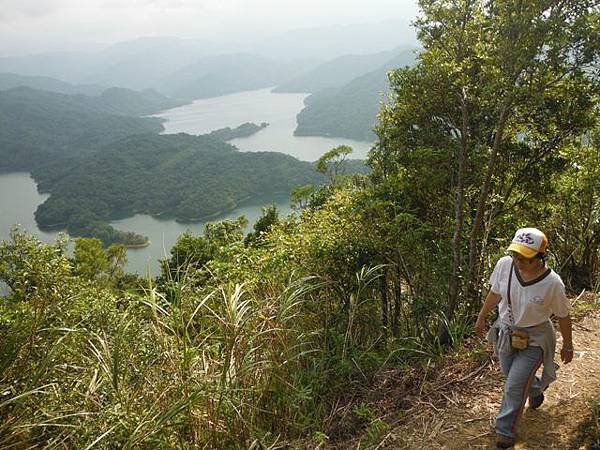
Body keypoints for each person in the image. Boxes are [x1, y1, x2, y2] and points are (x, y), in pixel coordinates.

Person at [474, 227, 573, 449]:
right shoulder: (504, 265)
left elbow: (564, 316)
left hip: (536, 337)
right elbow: (495, 293)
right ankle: (536, 390)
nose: (518, 261)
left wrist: (568, 344)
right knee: (511, 375)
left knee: (513, 386)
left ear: (540, 257)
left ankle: (505, 431)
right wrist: (482, 317)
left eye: (525, 258)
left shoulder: (552, 284)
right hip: (507, 331)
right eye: (515, 255)